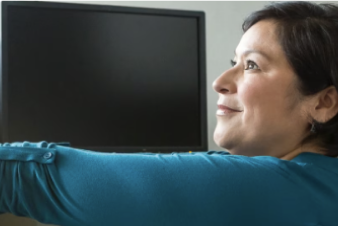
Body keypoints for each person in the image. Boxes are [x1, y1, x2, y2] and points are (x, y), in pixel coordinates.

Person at [1, 0, 338, 225]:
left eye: (251, 65)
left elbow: (26, 179)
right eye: (232, 63)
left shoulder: (277, 187)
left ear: (323, 103)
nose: (220, 82)